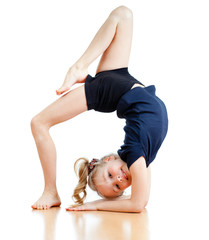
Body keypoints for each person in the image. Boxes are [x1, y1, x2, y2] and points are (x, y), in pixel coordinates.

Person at [31, 5, 168, 212]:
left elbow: (137, 204)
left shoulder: (133, 151)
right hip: (123, 84)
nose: (119, 179)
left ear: (110, 158)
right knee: (124, 15)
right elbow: (142, 201)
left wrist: (94, 206)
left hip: (110, 90)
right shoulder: (141, 161)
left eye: (110, 175)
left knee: (39, 123)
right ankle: (79, 69)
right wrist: (115, 201)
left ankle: (51, 190)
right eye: (118, 187)